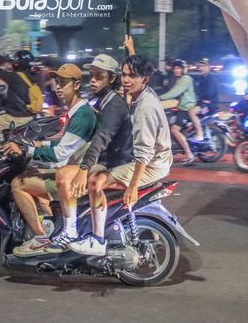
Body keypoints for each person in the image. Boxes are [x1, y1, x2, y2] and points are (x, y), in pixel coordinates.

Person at [69, 43, 172, 257]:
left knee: (95, 181)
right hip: (150, 158)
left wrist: (133, 187)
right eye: (124, 74)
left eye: (131, 76)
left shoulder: (144, 108)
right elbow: (137, 73)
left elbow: (144, 153)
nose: (126, 80)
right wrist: (131, 51)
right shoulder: (142, 92)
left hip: (152, 164)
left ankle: (97, 240)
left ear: (144, 79)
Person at [4, 63, 97, 256]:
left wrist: (26, 151)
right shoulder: (77, 112)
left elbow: (60, 154)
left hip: (74, 177)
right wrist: (38, 147)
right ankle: (50, 224)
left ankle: (39, 238)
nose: (58, 87)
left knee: (18, 184)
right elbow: (64, 146)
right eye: (57, 82)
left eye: (64, 83)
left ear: (77, 84)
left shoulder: (82, 116)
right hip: (73, 169)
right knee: (34, 172)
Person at [0, 50, 39, 155]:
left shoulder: (14, 77)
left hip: (18, 117)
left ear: (17, 63)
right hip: (32, 115)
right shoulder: (34, 77)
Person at [158, 59, 200, 166]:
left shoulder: (186, 79)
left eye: (178, 68)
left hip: (187, 108)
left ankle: (189, 155)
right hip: (181, 107)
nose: (176, 70)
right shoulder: (179, 79)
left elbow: (174, 92)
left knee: (174, 130)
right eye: (175, 68)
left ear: (183, 69)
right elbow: (169, 90)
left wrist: (159, 97)